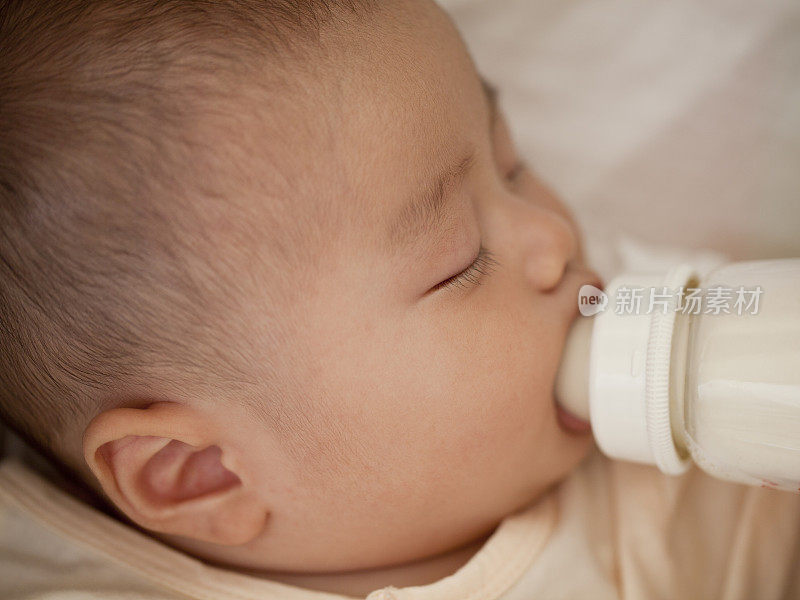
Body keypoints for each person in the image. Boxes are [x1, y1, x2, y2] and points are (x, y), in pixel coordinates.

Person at [1, 1, 798, 598]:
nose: (552, 236)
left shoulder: (663, 368)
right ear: (202, 473)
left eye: (512, 163)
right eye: (457, 263)